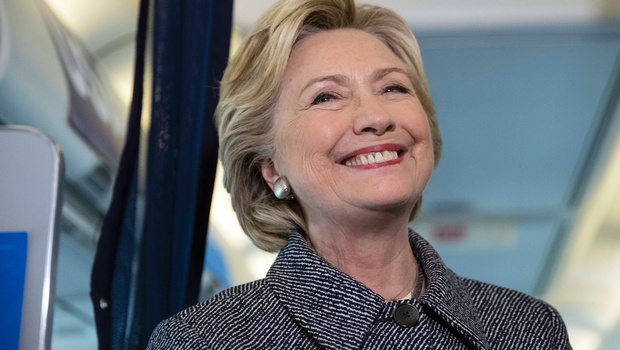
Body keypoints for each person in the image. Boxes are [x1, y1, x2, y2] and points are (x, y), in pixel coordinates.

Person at [148, 0, 572, 348]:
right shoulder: (201, 341)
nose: (375, 116)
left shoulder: (531, 329)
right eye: (326, 96)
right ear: (271, 166)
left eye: (393, 88)